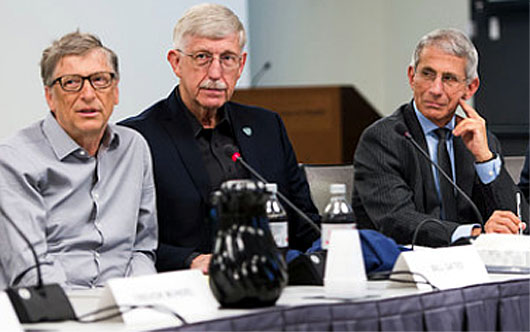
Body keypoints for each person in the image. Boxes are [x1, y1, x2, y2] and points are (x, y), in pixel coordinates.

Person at [120, 3, 320, 273]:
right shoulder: (139, 137)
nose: (215, 73)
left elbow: (304, 220)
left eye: (227, 58)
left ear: (241, 65)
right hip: (190, 287)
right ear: (176, 62)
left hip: (276, 280)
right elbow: (125, 240)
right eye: (202, 57)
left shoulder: (267, 127)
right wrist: (189, 260)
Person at [0, 31, 158, 290]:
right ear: (49, 96)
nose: (88, 94)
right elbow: (30, 271)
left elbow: (142, 249)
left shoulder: (134, 148)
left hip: (127, 310)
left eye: (99, 80)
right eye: (72, 82)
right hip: (54, 313)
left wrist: (140, 299)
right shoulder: (14, 159)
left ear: (115, 92)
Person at [352, 28, 528, 247]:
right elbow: (396, 220)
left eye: (449, 79)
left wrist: (485, 158)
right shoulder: (383, 138)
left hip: (474, 268)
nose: (435, 89)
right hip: (401, 269)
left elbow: (520, 223)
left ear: (470, 87)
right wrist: (474, 234)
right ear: (411, 76)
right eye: (427, 74)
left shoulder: (481, 140)